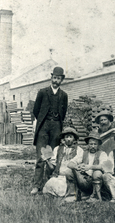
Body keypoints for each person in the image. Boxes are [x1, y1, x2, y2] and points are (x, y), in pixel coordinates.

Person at [32, 67, 69, 195]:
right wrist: (44, 121)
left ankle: (49, 183)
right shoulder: (42, 92)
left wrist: (56, 123)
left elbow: (63, 113)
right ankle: (36, 185)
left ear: (62, 80)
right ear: (51, 78)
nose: (56, 80)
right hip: (43, 126)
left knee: (52, 156)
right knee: (41, 156)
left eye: (58, 78)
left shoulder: (64, 95)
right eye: (54, 78)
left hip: (56, 127)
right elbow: (36, 110)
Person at [66, 131, 108, 202]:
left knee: (97, 173)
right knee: (69, 171)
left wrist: (89, 167)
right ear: (88, 144)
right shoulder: (83, 153)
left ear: (98, 145)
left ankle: (96, 196)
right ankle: (72, 195)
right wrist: (76, 166)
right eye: (91, 144)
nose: (93, 146)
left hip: (97, 181)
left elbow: (103, 166)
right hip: (84, 180)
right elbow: (69, 163)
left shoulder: (102, 153)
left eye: (95, 144)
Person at [42, 127, 83, 199]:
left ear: (74, 139)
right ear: (64, 139)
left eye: (71, 137)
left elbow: (77, 164)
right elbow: (53, 166)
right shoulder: (57, 149)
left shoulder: (79, 150)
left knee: (64, 188)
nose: (69, 139)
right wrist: (47, 161)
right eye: (67, 137)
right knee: (50, 185)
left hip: (71, 177)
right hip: (58, 176)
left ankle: (69, 194)